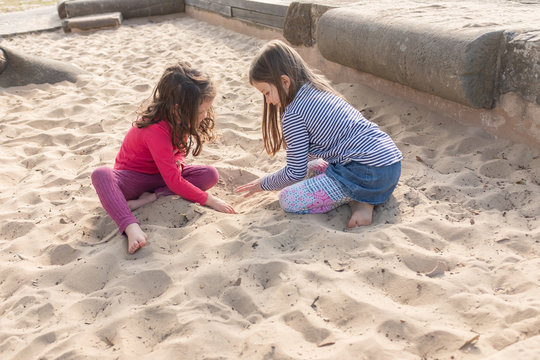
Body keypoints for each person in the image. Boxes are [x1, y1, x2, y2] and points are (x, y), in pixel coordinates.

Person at [235, 40, 402, 228]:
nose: (268, 101)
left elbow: (294, 173)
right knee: (313, 166)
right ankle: (364, 199)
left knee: (288, 199)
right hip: (391, 164)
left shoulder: (293, 113)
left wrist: (263, 184)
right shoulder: (319, 91)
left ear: (284, 81)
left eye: (266, 93)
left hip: (366, 172)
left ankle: (362, 200)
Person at [92, 61, 235, 254]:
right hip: (132, 180)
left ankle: (151, 198)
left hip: (161, 179)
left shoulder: (180, 119)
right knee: (101, 174)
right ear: (178, 109)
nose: (203, 116)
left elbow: (180, 152)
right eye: (200, 112)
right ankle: (130, 226)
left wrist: (180, 162)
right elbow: (174, 180)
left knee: (209, 174)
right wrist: (210, 200)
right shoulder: (154, 129)